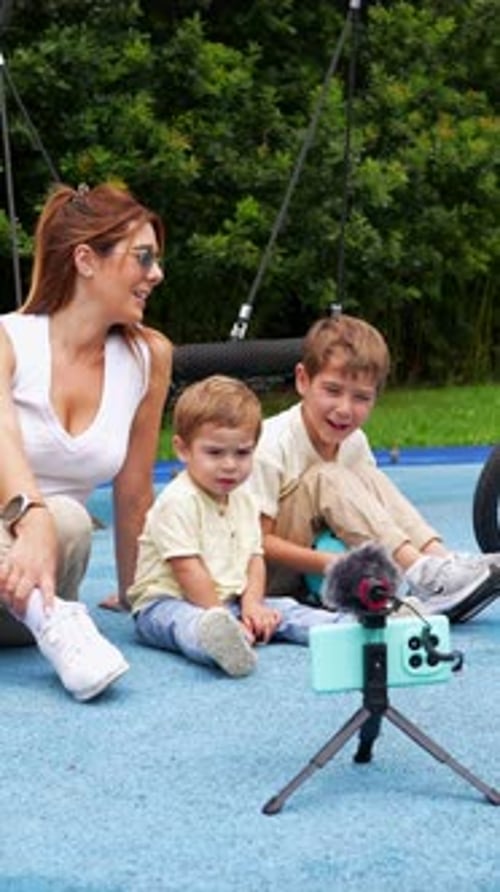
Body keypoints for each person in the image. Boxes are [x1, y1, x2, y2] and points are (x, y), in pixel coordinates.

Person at [0, 181, 172, 700]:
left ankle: (49, 616)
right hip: (25, 548)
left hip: (28, 591)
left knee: (71, 519)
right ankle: (59, 626)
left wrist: (139, 596)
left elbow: (135, 491)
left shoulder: (149, 358)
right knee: (54, 517)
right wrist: (29, 517)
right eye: (143, 258)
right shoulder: (8, 339)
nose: (156, 274)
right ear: (85, 260)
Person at [248, 313, 500, 622]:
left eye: (361, 398)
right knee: (327, 476)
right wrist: (332, 562)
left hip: (325, 563)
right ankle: (422, 573)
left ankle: (440, 563)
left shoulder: (354, 442)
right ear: (303, 380)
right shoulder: (272, 443)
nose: (344, 409)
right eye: (332, 391)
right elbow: (256, 543)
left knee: (367, 476)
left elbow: (368, 515)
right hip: (265, 577)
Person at [128, 375, 342, 677]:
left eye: (242, 453)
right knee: (184, 623)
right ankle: (220, 643)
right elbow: (188, 570)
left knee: (284, 609)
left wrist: (253, 605)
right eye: (214, 453)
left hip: (231, 600)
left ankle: (351, 629)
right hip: (168, 601)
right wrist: (221, 615)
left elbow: (254, 558)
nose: (230, 465)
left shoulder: (244, 498)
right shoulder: (178, 501)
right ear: (183, 449)